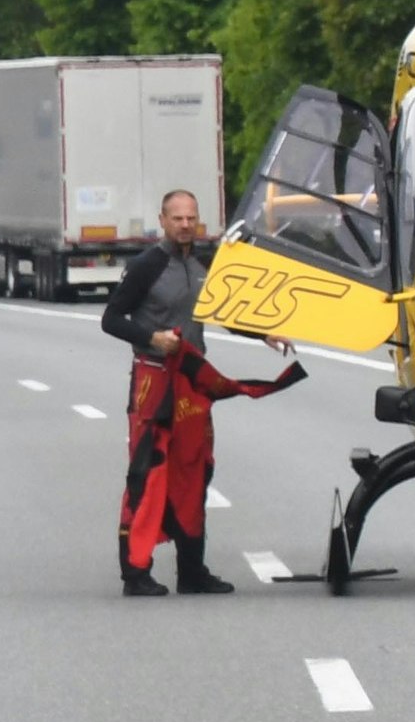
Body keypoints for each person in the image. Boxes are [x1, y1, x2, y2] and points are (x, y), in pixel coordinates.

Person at [100, 190, 302, 597]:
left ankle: (192, 571)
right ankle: (135, 572)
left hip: (191, 384)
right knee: (150, 475)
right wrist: (151, 337)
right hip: (153, 379)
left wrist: (263, 332)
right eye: (178, 218)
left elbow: (222, 310)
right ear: (163, 220)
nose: (186, 225)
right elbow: (111, 319)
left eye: (192, 217)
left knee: (194, 472)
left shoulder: (206, 261)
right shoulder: (147, 266)